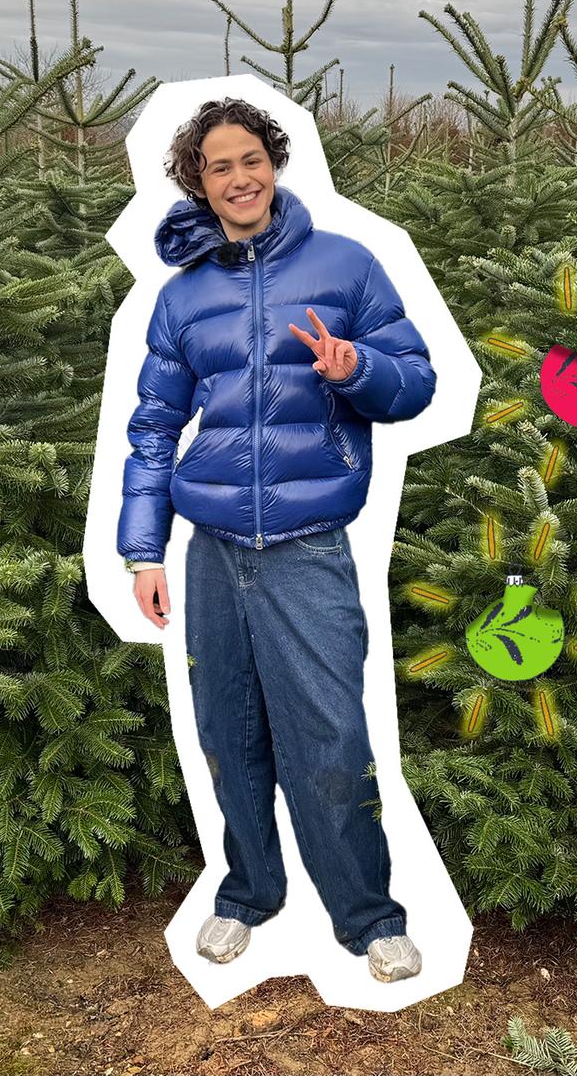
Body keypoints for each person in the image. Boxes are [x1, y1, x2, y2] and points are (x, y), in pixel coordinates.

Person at [115, 97, 438, 983]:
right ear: (198, 182)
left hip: (307, 545)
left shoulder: (347, 265)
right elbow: (151, 429)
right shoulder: (184, 297)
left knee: (331, 731)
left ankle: (368, 916)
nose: (239, 177)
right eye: (218, 166)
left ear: (275, 162)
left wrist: (356, 368)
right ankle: (247, 894)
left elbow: (415, 381)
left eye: (250, 157)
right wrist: (144, 551)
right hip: (213, 548)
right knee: (229, 728)